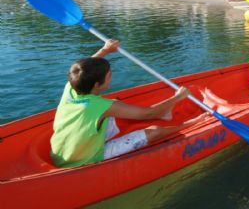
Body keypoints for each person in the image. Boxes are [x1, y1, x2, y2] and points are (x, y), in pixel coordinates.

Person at [50, 39, 201, 168]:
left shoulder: (71, 86)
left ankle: (164, 112)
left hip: (58, 153)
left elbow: (85, 69)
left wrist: (105, 50)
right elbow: (147, 113)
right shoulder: (102, 106)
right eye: (109, 74)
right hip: (84, 159)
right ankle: (191, 124)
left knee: (115, 104)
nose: (111, 75)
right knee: (155, 131)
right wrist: (178, 97)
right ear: (97, 84)